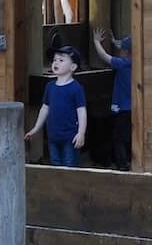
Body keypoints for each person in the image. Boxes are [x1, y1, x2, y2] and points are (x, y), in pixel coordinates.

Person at [27, 45, 88, 167]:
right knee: (55, 165)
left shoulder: (76, 88)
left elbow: (81, 111)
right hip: (53, 136)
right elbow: (45, 108)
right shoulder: (50, 87)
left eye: (61, 60)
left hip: (70, 137)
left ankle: (69, 186)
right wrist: (36, 128)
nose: (56, 62)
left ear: (73, 67)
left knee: (70, 166)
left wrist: (81, 133)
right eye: (54, 60)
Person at [92, 29, 134, 171]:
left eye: (121, 49)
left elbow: (104, 56)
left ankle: (122, 164)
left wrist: (96, 41)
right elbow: (123, 46)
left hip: (122, 108)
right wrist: (115, 41)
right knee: (128, 135)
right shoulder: (135, 64)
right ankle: (129, 159)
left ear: (126, 52)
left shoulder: (122, 64)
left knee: (118, 138)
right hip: (132, 108)